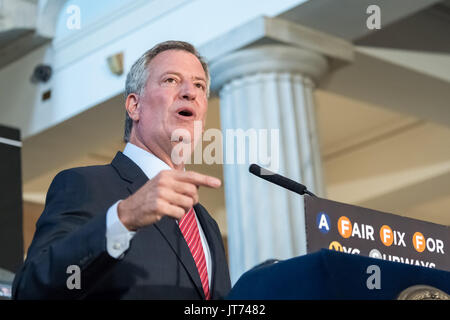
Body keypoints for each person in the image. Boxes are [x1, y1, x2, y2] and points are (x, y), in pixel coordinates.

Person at [12, 41, 231, 299]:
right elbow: (31, 290)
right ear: (134, 106)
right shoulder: (84, 184)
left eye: (199, 85)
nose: (189, 92)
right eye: (171, 80)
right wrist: (123, 218)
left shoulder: (207, 224)